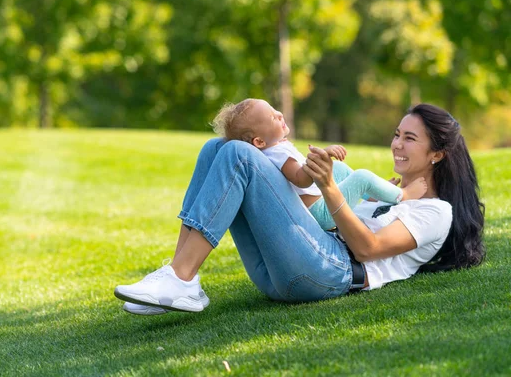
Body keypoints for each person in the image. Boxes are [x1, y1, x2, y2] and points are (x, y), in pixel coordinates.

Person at [115, 103, 485, 315]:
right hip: (289, 265)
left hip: (330, 272)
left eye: (410, 138)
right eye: (396, 134)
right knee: (217, 148)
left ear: (437, 154)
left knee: (240, 155)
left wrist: (327, 187)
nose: (397, 145)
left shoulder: (437, 213)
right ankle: (179, 278)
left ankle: (179, 281)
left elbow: (367, 249)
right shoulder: (389, 192)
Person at [210, 98, 427, 230]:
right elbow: (301, 180)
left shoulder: (274, 148)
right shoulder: (276, 154)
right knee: (361, 177)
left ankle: (376, 195)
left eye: (275, 110)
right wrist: (320, 157)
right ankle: (404, 195)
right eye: (272, 118)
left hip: (322, 201)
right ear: (259, 141)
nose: (280, 114)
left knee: (339, 169)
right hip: (321, 212)